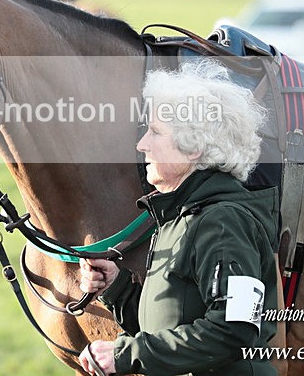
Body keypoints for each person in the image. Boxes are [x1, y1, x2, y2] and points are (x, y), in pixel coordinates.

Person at [78, 60, 279, 375]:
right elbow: (169, 323)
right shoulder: (179, 218)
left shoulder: (225, 223)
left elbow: (236, 331)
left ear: (193, 148)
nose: (141, 144)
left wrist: (126, 354)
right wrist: (115, 286)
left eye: (156, 132)